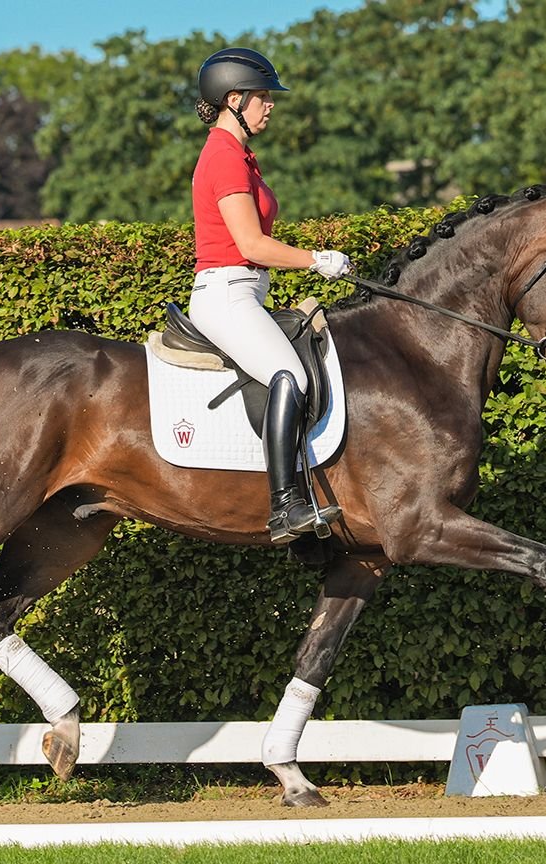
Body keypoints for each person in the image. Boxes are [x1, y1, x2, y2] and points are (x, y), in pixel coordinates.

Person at [189, 47, 349, 544]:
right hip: (227, 296)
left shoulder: (240, 156)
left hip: (246, 294)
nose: (269, 106)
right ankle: (285, 507)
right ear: (233, 99)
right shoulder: (223, 158)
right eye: (261, 97)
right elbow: (251, 245)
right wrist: (317, 260)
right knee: (290, 374)